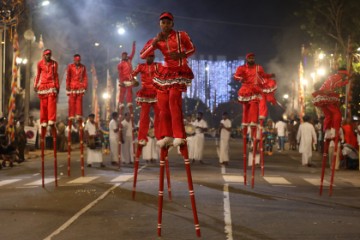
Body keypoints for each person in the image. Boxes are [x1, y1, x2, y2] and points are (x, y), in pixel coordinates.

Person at [140, 12, 195, 148]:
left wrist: (181, 54)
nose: (165, 25)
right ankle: (168, 135)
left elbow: (192, 48)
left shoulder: (181, 35)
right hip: (165, 73)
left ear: (172, 24)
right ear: (159, 24)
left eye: (168, 22)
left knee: (173, 102)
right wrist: (154, 43)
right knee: (162, 106)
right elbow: (142, 55)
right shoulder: (157, 39)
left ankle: (179, 135)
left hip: (179, 70)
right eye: (163, 23)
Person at [234, 53, 274, 139]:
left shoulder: (258, 67)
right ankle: (245, 122)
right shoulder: (242, 68)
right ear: (247, 59)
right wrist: (241, 78)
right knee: (245, 106)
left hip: (255, 89)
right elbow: (236, 76)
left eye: (253, 58)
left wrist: (270, 75)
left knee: (254, 103)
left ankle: (253, 121)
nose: (252, 59)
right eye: (250, 58)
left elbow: (263, 75)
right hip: (245, 89)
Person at [130, 51, 160, 146]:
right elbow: (132, 74)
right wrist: (134, 81)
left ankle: (160, 136)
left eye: (152, 56)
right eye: (149, 56)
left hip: (156, 92)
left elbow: (167, 73)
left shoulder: (158, 66)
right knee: (144, 116)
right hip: (145, 92)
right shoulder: (141, 66)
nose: (150, 58)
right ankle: (142, 137)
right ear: (145, 57)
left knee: (160, 114)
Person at [312, 68, 349, 139]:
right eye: (344, 75)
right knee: (337, 113)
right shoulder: (338, 77)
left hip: (321, 96)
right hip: (327, 95)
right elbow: (337, 85)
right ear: (342, 74)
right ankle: (335, 130)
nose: (344, 77)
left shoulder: (332, 76)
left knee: (328, 115)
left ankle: (326, 130)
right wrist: (347, 81)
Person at [33, 49, 59, 128]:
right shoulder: (40, 63)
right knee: (43, 104)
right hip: (43, 85)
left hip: (51, 84)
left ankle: (51, 119)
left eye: (49, 54)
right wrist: (35, 85)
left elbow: (56, 76)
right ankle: (43, 120)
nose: (48, 56)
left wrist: (57, 86)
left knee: (51, 103)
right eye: (47, 54)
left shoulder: (54, 64)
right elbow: (38, 75)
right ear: (44, 55)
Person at [66, 54, 88, 121]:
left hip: (79, 87)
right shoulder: (70, 66)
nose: (78, 62)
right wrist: (67, 85)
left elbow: (85, 77)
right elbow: (68, 77)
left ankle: (78, 114)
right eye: (76, 60)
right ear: (74, 60)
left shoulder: (83, 67)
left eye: (79, 60)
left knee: (79, 101)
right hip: (72, 86)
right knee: (71, 102)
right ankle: (71, 115)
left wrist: (84, 86)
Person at [118, 41, 136, 114]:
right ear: (122, 56)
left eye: (126, 55)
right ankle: (121, 102)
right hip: (123, 79)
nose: (125, 56)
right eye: (123, 55)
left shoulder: (129, 60)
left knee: (129, 92)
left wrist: (133, 46)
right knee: (122, 92)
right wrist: (121, 81)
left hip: (130, 79)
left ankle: (129, 102)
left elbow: (133, 53)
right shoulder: (120, 64)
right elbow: (120, 73)